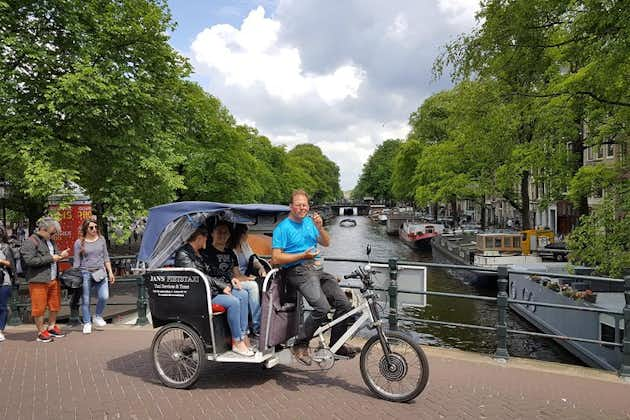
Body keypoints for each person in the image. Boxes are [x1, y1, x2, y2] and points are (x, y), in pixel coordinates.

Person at [271, 189, 359, 365]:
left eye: (304, 205)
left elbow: (326, 242)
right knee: (322, 307)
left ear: (308, 206)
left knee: (344, 304)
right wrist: (301, 256)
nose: (302, 208)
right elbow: (276, 258)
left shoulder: (310, 223)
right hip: (296, 270)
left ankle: (337, 344)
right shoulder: (282, 228)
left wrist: (320, 227)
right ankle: (300, 344)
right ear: (291, 206)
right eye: (298, 205)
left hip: (317, 270)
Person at [200, 221, 254, 357]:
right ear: (212, 233)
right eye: (219, 232)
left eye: (225, 233)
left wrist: (234, 280)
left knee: (243, 294)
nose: (222, 235)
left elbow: (234, 274)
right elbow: (211, 274)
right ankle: (236, 341)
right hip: (214, 290)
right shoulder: (206, 253)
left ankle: (243, 334)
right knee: (235, 301)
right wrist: (226, 284)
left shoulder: (230, 252)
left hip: (227, 286)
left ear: (229, 235)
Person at [20, 217, 70, 343]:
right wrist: (52, 258)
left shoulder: (51, 241)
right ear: (43, 229)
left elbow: (55, 255)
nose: (54, 235)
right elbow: (29, 260)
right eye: (52, 233)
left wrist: (61, 255)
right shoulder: (30, 242)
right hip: (38, 280)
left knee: (55, 305)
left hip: (53, 278)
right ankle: (41, 332)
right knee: (39, 307)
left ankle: (51, 327)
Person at [73, 219, 115, 334]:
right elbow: (76, 262)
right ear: (86, 229)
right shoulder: (78, 242)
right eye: (91, 227)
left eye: (96, 227)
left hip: (101, 272)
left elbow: (106, 257)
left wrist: (110, 272)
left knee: (104, 296)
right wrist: (75, 275)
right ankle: (87, 323)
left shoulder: (101, 240)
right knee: (86, 300)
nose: (94, 229)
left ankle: (97, 315)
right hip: (86, 273)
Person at [227, 224, 263, 335]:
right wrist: (249, 279)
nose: (248, 236)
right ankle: (257, 325)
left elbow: (253, 259)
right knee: (253, 286)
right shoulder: (230, 250)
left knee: (264, 283)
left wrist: (261, 268)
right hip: (236, 279)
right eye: (246, 233)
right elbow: (235, 274)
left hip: (245, 277)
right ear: (241, 235)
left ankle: (262, 320)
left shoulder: (245, 245)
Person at [0, 226, 16, 342]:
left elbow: (11, 264)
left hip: (3, 280)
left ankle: (0, 330)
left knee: (2, 307)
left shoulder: (5, 247)